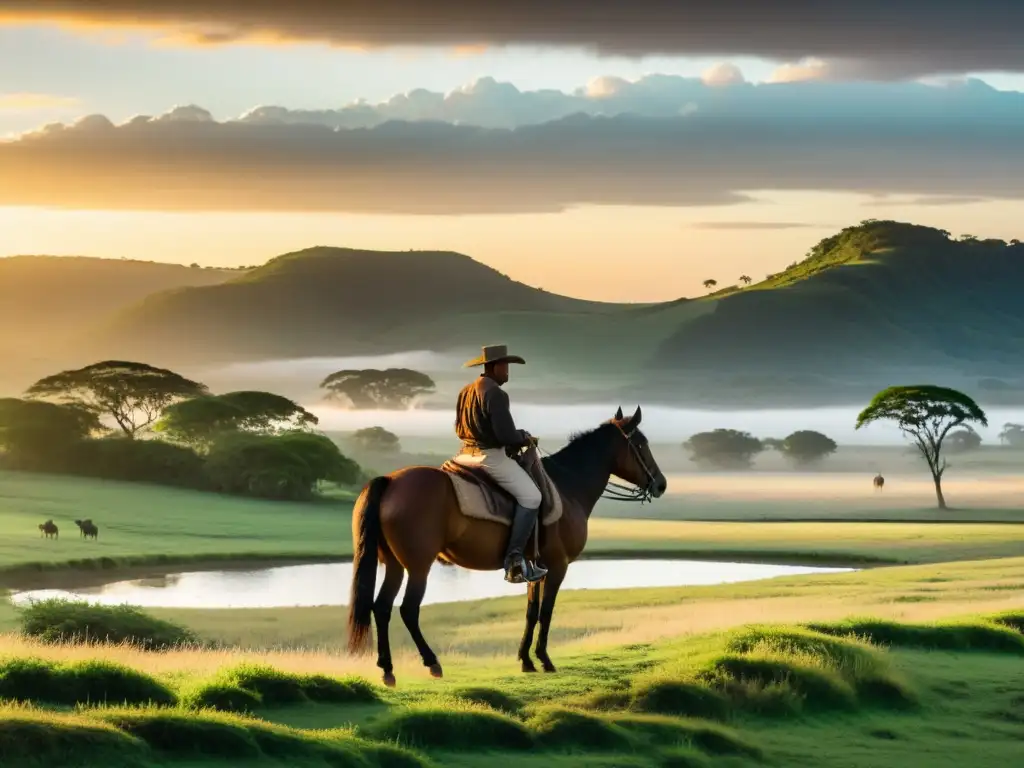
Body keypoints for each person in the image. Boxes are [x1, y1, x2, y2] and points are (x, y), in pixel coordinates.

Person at [452, 344, 548, 584]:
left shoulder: (465, 391)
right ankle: (514, 559)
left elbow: (458, 429)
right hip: (489, 458)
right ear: (493, 367)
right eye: (505, 367)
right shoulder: (495, 393)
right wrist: (524, 437)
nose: (507, 372)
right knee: (532, 497)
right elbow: (505, 436)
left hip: (463, 456)